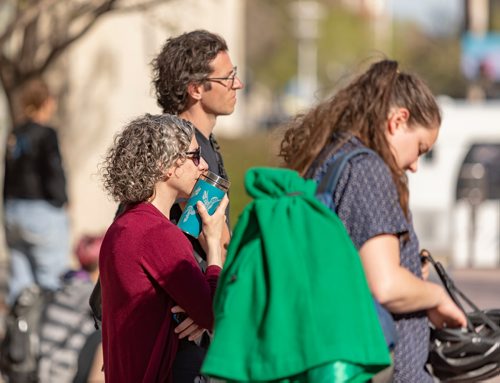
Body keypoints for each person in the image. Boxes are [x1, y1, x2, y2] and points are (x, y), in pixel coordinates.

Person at [279, 59, 468, 383]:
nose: (415, 166)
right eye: (420, 148)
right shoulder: (367, 169)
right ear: (397, 120)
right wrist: (435, 296)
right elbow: (385, 285)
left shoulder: (330, 157)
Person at [98, 113, 228, 383]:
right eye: (194, 155)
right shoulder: (159, 233)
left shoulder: (123, 226)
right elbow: (216, 314)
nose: (203, 165)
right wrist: (213, 244)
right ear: (165, 165)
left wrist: (197, 312)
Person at [3, 78, 69, 304]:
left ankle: (19, 336)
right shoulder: (46, 134)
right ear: (45, 102)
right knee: (51, 281)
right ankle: (49, 336)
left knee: (20, 284)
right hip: (41, 212)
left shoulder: (15, 133)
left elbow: (8, 174)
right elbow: (54, 170)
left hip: (14, 211)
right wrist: (63, 201)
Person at [38, 234, 105, 383]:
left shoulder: (64, 286)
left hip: (42, 370)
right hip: (65, 374)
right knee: (104, 334)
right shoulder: (90, 295)